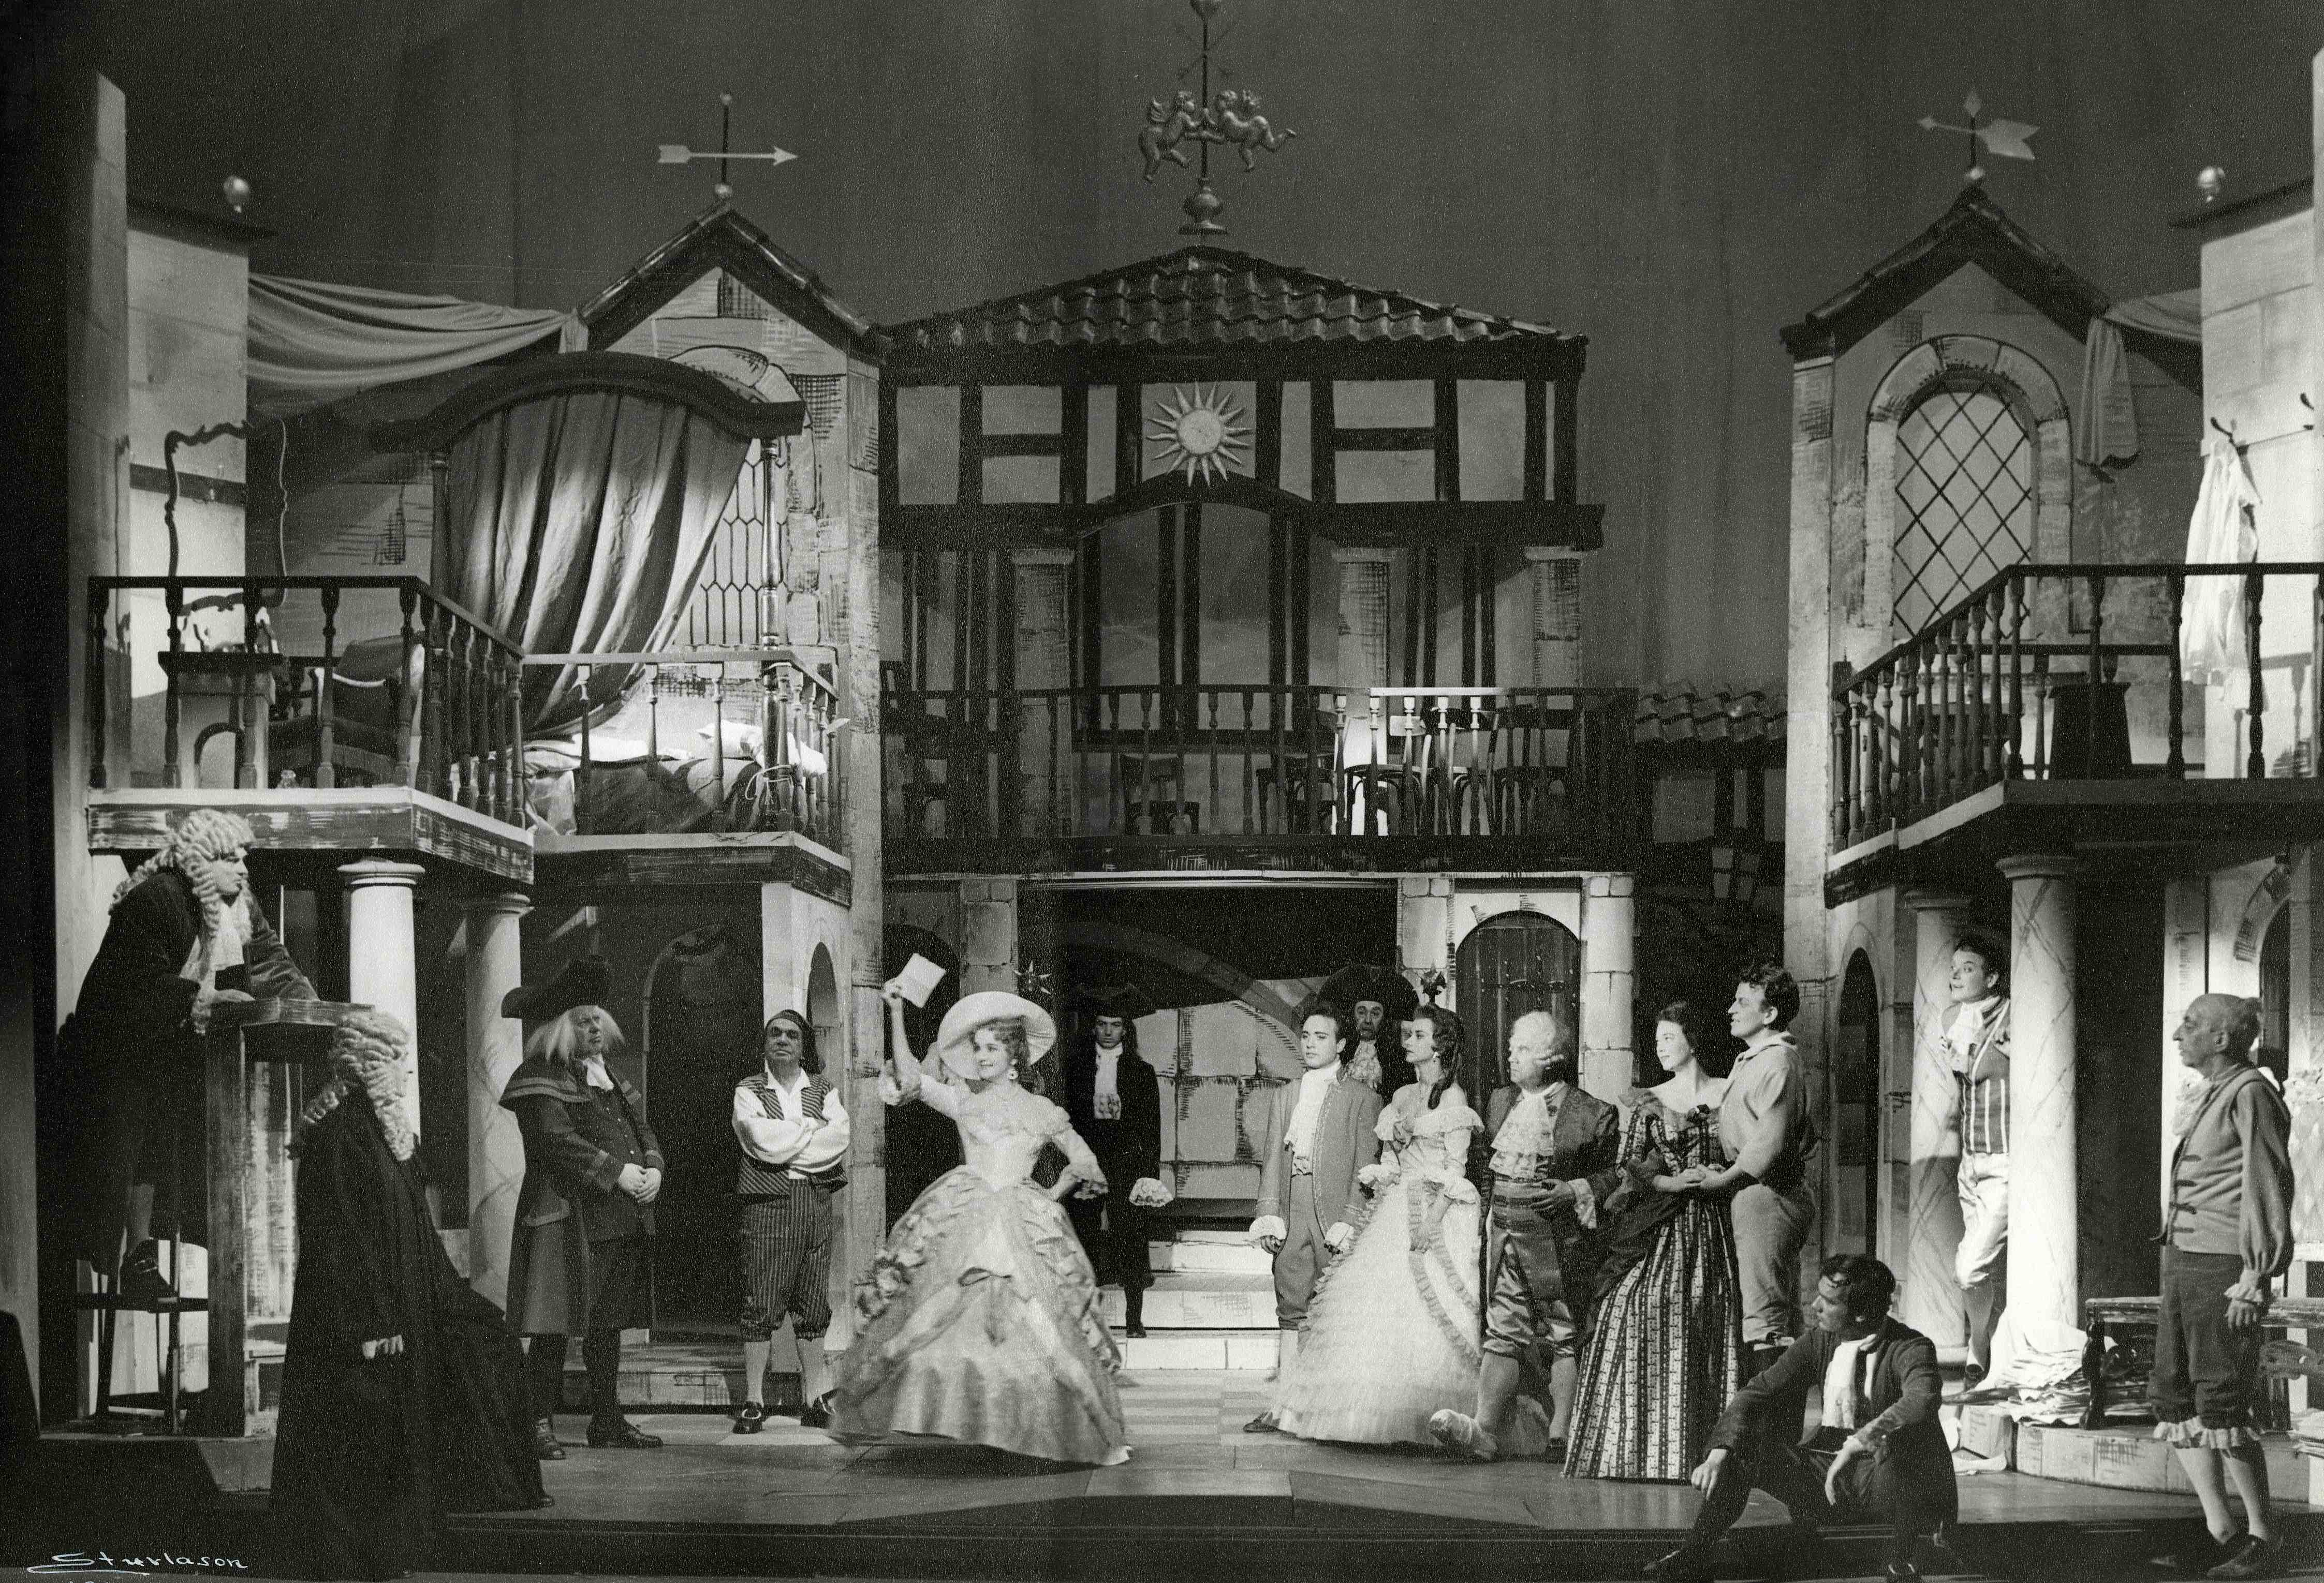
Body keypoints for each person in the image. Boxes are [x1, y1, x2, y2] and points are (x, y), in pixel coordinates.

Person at [271, 1011, 548, 1581]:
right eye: (398, 1061)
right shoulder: (343, 1134)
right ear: (372, 1065)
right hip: (360, 1318)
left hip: (402, 1303)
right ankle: (348, 1554)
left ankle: (388, 1547)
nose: (407, 1073)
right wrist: (371, 1321)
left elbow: (412, 1230)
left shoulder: (383, 1133)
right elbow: (342, 1235)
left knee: (473, 1356)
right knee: (357, 1429)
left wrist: (450, 1301)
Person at [832, 985, 1129, 1465]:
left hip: (1021, 1229)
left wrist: (1048, 1196)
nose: (982, 1056)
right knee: (918, 1327)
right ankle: (861, 1407)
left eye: (992, 1047)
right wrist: (896, 1013)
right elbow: (910, 1078)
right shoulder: (964, 1102)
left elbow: (1085, 1162)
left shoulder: (1042, 1111)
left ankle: (1100, 1436)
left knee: (1051, 1339)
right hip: (965, 1222)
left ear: (1015, 1056)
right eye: (978, 1048)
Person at [47, 809, 314, 1302]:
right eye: (229, 859)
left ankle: (204, 1248)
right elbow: (129, 989)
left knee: (204, 1128)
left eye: (244, 858)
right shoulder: (155, 900)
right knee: (141, 1135)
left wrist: (309, 1008)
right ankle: (138, 1254)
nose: (243, 868)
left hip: (179, 1049)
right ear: (198, 863)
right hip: (118, 1054)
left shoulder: (240, 905)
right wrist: (199, 998)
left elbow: (272, 964)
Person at [1274, 1004, 1518, 1448]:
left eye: (1419, 1035)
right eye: (1409, 1034)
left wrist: (1430, 1224)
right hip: (1396, 1205)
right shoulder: (1402, 1095)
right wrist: (1384, 1171)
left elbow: (1456, 1170)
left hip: (1440, 1210)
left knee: (1427, 1313)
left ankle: (1441, 1418)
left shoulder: (1454, 1099)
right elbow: (1390, 1158)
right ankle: (1368, 1417)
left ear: (1439, 1047)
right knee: (1375, 1305)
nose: (1408, 1041)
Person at [1643, 1254, 1957, 1583]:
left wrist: (1859, 1442)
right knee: (1743, 1451)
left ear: (1862, 1313)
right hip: (1826, 1474)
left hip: (1884, 1479)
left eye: (1829, 1302)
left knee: (1910, 1441)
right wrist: (1719, 1453)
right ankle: (1692, 1556)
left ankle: (1903, 1561)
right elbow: (1757, 1392)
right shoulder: (1820, 1340)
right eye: (1819, 1296)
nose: (1815, 1306)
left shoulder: (1911, 1346)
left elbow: (1922, 1400)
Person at [1429, 1009, 1623, 1461]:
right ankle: (1484, 1430)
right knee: (1502, 1330)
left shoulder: (1593, 1114)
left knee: (1563, 1329)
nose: (1511, 1057)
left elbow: (1614, 1176)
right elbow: (1486, 1171)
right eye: (1512, 1047)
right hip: (1504, 1234)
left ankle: (1562, 1432)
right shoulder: (1500, 1102)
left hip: (1560, 1241)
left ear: (1552, 1058)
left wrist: (1575, 1189)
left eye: (1523, 1050)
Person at [1566, 1001, 1746, 1482]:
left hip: (1715, 1222)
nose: (1661, 1048)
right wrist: (1672, 1182)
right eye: (1658, 1040)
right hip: (1662, 1222)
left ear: (1693, 1040)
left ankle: (1703, 1452)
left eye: (1669, 1038)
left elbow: (1751, 1151)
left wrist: (1721, 1175)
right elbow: (1632, 1166)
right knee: (1629, 1305)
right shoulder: (1651, 1101)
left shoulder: (1729, 1091)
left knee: (1706, 1310)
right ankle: (1636, 1449)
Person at [2146, 994, 2293, 1582]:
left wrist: (2254, 1277)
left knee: (2221, 1400)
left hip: (2223, 1268)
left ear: (2222, 1039)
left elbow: (2267, 1184)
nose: (2177, 1035)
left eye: (2190, 1026)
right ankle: (2220, 1531)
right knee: (2174, 1396)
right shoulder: (2212, 1092)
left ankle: (2262, 1537)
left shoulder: (2251, 1093)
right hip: (2183, 1260)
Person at [499, 958, 665, 1456]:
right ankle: (535, 1423)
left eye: (597, 1019)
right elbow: (556, 1141)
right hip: (567, 1217)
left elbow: (641, 1128)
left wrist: (653, 1168)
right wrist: (618, 1173)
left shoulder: (607, 1074)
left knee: (607, 1327)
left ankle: (607, 1421)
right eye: (582, 1021)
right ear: (559, 1029)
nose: (595, 1028)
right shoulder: (539, 1076)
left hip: (617, 1217)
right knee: (553, 1327)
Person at [1243, 1001, 1386, 1433]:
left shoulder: (1363, 1098)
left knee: (1336, 1309)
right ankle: (1283, 1407)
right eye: (1306, 1036)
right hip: (1293, 1207)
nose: (1310, 1044)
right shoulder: (1287, 1094)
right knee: (1290, 1307)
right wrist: (1269, 1214)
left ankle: (1333, 1412)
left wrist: (1350, 1221)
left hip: (1334, 1215)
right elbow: (1272, 1158)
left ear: (1341, 1045)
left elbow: (1365, 1167)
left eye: (1321, 1037)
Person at [1695, 962, 1817, 1377]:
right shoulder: (1755, 1060)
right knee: (1770, 1311)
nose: (1731, 1010)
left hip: (1770, 1195)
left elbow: (1769, 1143)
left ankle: (1774, 1419)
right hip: (1755, 1192)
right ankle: (1776, 1415)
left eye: (1743, 1002)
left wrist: (1723, 1180)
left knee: (1767, 1317)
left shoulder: (1778, 1061)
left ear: (1770, 1014)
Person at [731, 1009, 849, 1435]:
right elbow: (761, 1141)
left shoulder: (824, 1089)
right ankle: (754, 1401)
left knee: (813, 1301)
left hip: (815, 1202)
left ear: (804, 1046)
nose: (783, 1040)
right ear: (765, 1045)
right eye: (775, 1034)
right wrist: (808, 1129)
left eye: (792, 1035)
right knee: (761, 1300)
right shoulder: (749, 1090)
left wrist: (788, 1139)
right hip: (768, 1204)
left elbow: (837, 1140)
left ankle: (814, 1399)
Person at [1062, 986, 1170, 1339]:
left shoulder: (1141, 1071)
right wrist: (1076, 1164)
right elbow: (1068, 1123)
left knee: (1131, 1237)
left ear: (1126, 1030)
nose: (1108, 1032)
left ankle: (1135, 1319)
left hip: (1127, 1163)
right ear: (1094, 1028)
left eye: (1116, 1025)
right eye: (1102, 1024)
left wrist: (1148, 1176)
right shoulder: (1077, 1068)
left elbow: (1151, 1129)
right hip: (1089, 1160)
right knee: (1084, 1234)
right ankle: (1086, 1319)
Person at [1943, 932, 2010, 1385]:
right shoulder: (1954, 1018)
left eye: (1968, 968)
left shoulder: (2015, 1015)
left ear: (1992, 977)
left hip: (2007, 1159)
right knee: (1982, 1269)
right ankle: (1989, 1348)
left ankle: (1980, 1345)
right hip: (1970, 1159)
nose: (1956, 976)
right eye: (1954, 968)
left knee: (1970, 1268)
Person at [1316, 964, 1419, 1096]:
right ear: (1353, 1015)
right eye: (1361, 1012)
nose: (1368, 1020)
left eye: (1375, 1014)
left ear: (1384, 1019)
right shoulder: (1339, 1051)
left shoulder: (1398, 1057)